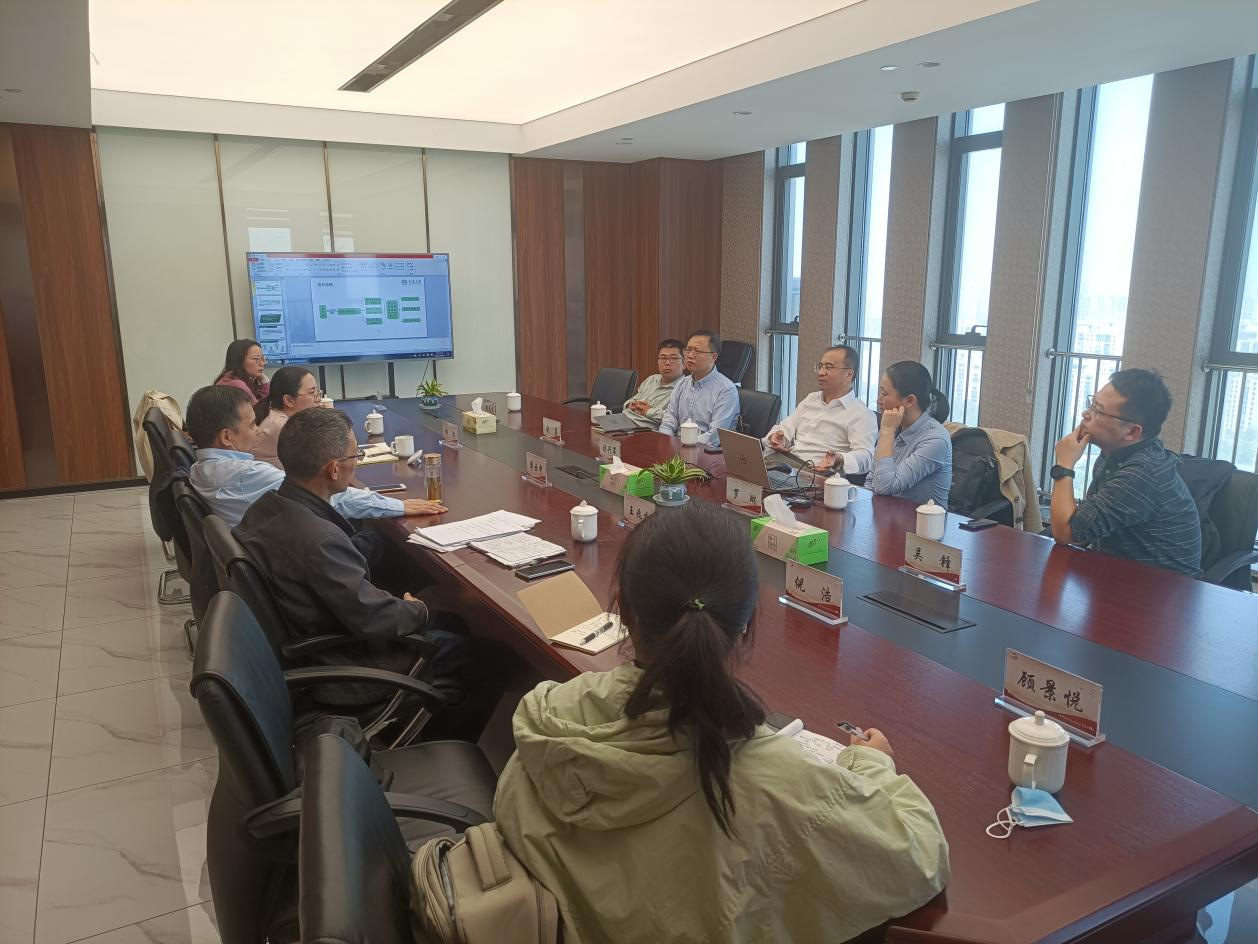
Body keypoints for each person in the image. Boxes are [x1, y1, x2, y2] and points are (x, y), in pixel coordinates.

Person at [494, 501, 949, 943]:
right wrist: (872, 764)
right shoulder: (775, 781)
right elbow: (919, 856)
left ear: (623, 613)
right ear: (747, 624)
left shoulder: (551, 714)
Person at [234, 408, 467, 706]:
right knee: (480, 653)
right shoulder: (321, 540)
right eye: (355, 456)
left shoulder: (265, 508)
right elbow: (372, 616)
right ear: (333, 469)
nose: (356, 464)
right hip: (345, 664)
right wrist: (417, 609)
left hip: (311, 636)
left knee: (450, 622)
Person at [186, 385, 444, 528]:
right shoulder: (247, 475)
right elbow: (320, 495)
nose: (258, 431)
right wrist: (399, 506)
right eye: (252, 425)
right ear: (226, 437)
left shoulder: (198, 469)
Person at [1049, 368, 1202, 576]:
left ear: (1132, 432)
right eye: (1091, 404)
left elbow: (1066, 533)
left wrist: (1064, 464)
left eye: (1098, 411)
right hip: (1116, 571)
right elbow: (1085, 526)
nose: (1086, 414)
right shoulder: (1113, 455)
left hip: (1161, 587)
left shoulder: (1143, 472)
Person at [763, 344, 877, 473]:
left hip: (816, 472)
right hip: (788, 462)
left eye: (829, 367)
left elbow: (866, 457)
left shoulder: (861, 414)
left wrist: (839, 459)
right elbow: (786, 427)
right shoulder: (811, 399)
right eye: (820, 366)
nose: (821, 373)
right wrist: (778, 438)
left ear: (849, 374)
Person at [869, 361, 953, 505]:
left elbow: (884, 486)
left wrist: (887, 432)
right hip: (886, 512)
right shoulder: (893, 425)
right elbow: (871, 480)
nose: (878, 400)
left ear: (909, 400)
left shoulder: (936, 439)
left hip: (919, 518)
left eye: (884, 393)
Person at [658, 329, 739, 446]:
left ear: (713, 357)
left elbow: (714, 437)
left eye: (697, 351)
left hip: (707, 451)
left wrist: (682, 447)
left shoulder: (726, 390)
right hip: (677, 447)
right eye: (688, 350)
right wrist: (667, 443)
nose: (690, 356)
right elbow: (669, 421)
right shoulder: (681, 384)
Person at [253, 366, 324, 467]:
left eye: (317, 392)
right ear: (289, 400)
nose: (318, 399)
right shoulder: (282, 426)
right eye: (312, 393)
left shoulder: (276, 415)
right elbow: (320, 458)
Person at [624, 339, 685, 429]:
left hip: (643, 430)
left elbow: (677, 420)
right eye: (663, 358)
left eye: (673, 358)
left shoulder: (684, 388)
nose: (667, 363)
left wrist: (649, 411)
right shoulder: (652, 379)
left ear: (684, 363)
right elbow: (633, 400)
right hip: (623, 421)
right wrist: (630, 405)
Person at [214, 338, 270, 405]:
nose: (262, 363)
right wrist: (265, 383)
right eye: (256, 359)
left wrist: (264, 381)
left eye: (262, 358)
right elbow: (259, 410)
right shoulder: (236, 384)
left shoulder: (230, 378)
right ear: (239, 361)